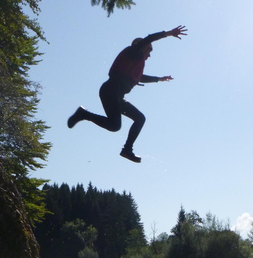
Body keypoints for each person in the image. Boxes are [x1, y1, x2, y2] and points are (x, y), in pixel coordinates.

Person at [67, 25, 187, 163]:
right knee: (115, 125)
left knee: (138, 119)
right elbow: (149, 38)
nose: (149, 55)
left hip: (117, 95)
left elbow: (140, 77)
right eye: (149, 51)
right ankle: (83, 114)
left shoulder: (134, 61)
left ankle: (127, 150)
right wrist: (169, 33)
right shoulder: (134, 52)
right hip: (110, 90)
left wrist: (159, 79)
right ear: (142, 47)